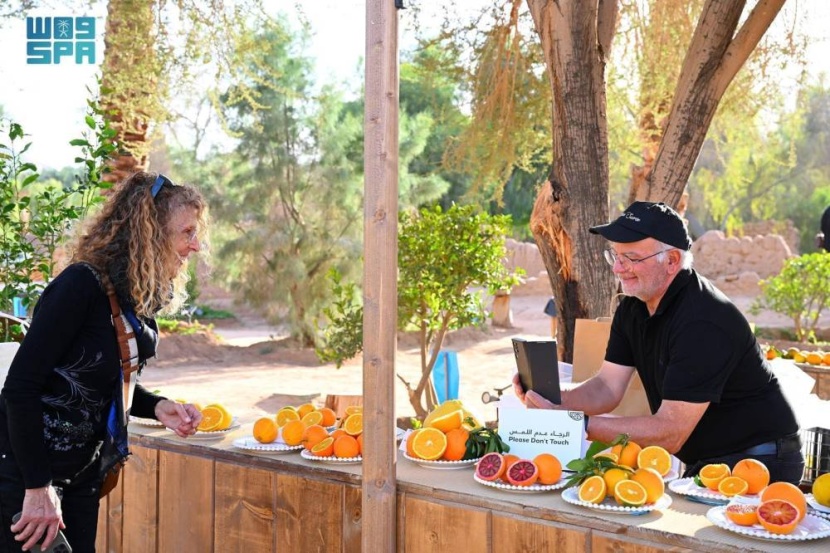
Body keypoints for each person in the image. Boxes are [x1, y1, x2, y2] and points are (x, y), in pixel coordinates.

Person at [513, 201, 804, 484]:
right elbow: (606, 387)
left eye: (632, 258)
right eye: (616, 256)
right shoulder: (633, 308)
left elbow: (669, 431)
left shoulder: (703, 320)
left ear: (672, 261)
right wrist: (548, 396)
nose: (618, 269)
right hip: (708, 460)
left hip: (761, 461)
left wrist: (576, 425)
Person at [0, 172, 207, 551]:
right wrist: (36, 487)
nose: (195, 245)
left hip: (80, 478)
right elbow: (20, 387)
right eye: (187, 232)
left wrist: (157, 406)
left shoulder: (129, 295)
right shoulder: (80, 286)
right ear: (150, 233)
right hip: (27, 480)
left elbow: (102, 380)